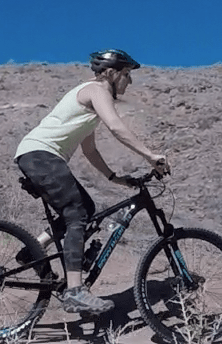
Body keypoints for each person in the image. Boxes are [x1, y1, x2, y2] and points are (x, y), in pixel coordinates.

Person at [14, 49, 169, 314]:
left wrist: (114, 178)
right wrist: (150, 155)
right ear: (111, 73)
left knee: (83, 209)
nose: (129, 82)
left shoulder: (90, 103)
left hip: (35, 155)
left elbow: (90, 151)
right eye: (127, 74)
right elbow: (117, 128)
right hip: (41, 154)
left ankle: (34, 249)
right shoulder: (97, 91)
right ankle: (75, 291)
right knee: (77, 214)